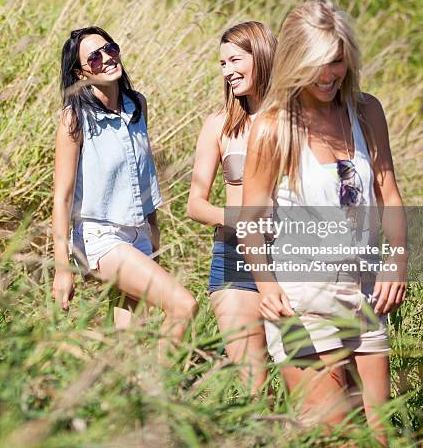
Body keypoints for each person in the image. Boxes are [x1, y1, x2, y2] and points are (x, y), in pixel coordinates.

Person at [239, 0, 407, 442]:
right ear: (295, 59)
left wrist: (398, 260)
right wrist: (266, 283)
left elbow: (386, 190)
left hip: (365, 289)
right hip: (302, 295)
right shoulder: (273, 127)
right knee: (331, 431)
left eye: (336, 61)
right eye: (316, 63)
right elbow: (250, 217)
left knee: (378, 433)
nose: (329, 75)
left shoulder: (366, 112)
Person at [51, 26, 198, 352]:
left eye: (110, 48)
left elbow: (143, 178)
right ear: (81, 72)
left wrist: (154, 240)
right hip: (101, 239)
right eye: (95, 56)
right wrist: (62, 269)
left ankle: (125, 396)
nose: (107, 58)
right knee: (183, 306)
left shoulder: (137, 106)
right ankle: (160, 398)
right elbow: (61, 198)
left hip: (139, 235)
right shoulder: (74, 119)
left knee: (129, 345)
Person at [187, 21, 277, 393]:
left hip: (295, 254)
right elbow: (196, 204)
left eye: (235, 60)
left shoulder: (295, 119)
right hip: (234, 256)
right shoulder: (219, 125)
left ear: (261, 55)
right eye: (222, 64)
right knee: (254, 387)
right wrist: (243, 221)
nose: (227, 72)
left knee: (313, 380)